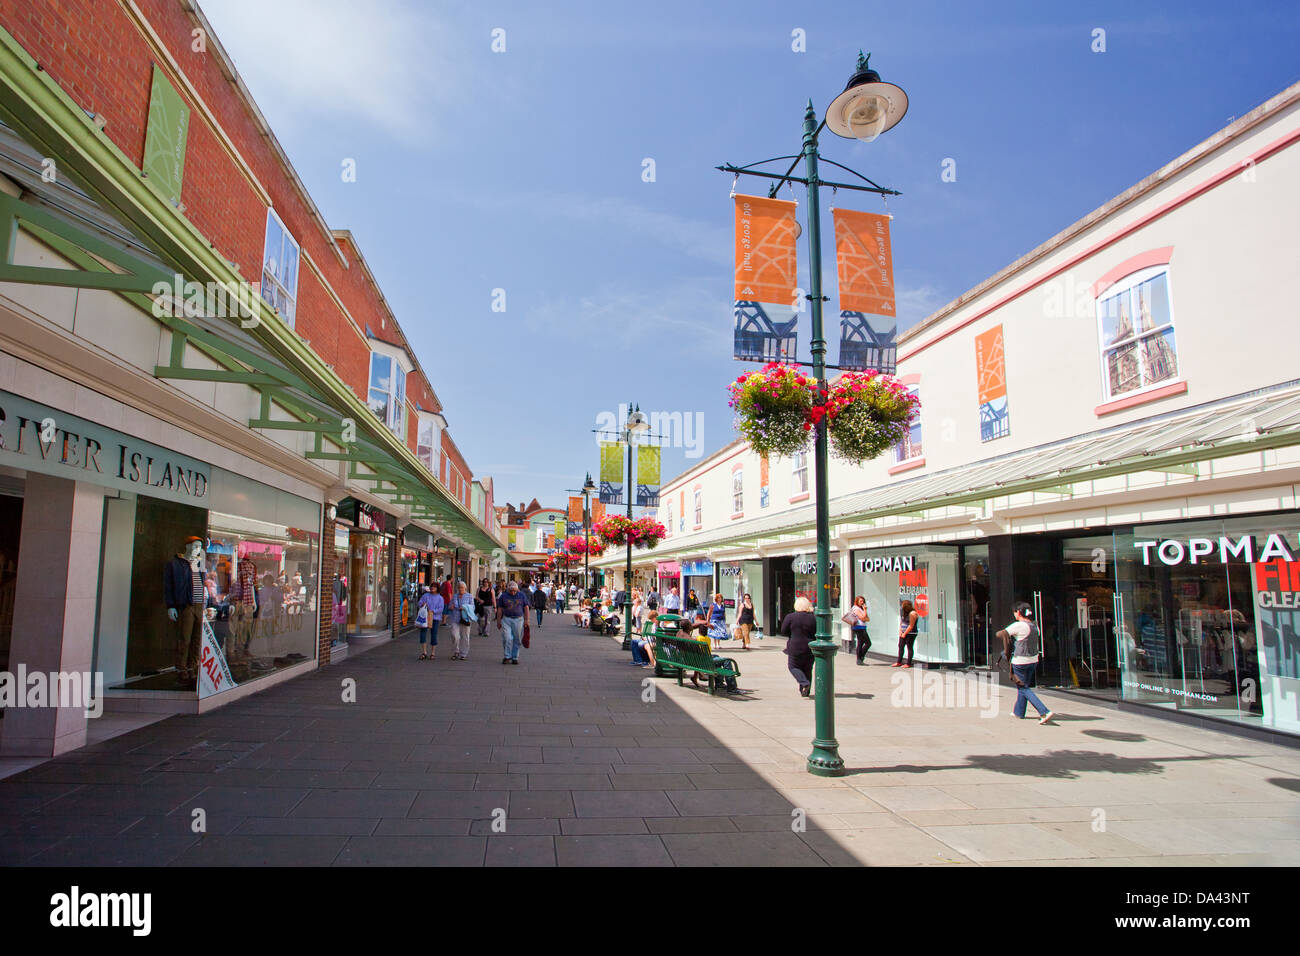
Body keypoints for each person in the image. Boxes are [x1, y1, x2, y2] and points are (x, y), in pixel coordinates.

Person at [999, 602, 1055, 724]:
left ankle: (1044, 711)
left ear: (1018, 612)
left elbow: (1002, 633)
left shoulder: (1019, 625)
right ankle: (1018, 712)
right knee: (1023, 686)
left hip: (1020, 661)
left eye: (1014, 612)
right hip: (1033, 660)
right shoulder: (1035, 626)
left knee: (1023, 687)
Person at [780, 596, 817, 697]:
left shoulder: (791, 617)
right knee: (807, 669)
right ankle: (805, 691)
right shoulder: (814, 617)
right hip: (810, 646)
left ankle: (804, 683)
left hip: (795, 646)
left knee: (793, 666)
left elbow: (783, 631)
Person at [496, 579, 529, 665]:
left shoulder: (521, 595)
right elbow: (499, 609)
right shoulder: (503, 596)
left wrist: (526, 620)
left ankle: (515, 657)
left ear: (517, 589)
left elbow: (526, 607)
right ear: (508, 589)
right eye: (511, 591)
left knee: (517, 639)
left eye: (515, 591)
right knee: (507, 638)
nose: (513, 593)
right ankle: (507, 656)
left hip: (518, 619)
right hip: (506, 619)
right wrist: (498, 621)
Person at [447, 582, 474, 661]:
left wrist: (465, 607)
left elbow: (473, 607)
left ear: (465, 588)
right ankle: (456, 651)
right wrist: (450, 607)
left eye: (462, 587)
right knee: (454, 635)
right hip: (455, 618)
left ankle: (463, 653)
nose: (460, 589)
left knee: (465, 636)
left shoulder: (469, 596)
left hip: (465, 619)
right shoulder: (455, 596)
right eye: (459, 587)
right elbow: (449, 606)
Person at [416, 585, 443, 660]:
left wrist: (433, 611)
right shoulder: (425, 595)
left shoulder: (440, 598)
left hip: (435, 618)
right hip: (425, 617)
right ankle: (424, 652)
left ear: (437, 589)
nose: (432, 588)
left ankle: (433, 653)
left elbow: (441, 608)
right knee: (423, 633)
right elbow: (419, 603)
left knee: (434, 634)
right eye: (431, 587)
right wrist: (422, 604)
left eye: (434, 587)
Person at [893, 600, 919, 668]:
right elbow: (901, 621)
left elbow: (911, 625)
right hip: (903, 631)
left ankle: (908, 663)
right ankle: (899, 662)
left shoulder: (913, 613)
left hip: (911, 633)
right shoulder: (903, 611)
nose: (902, 607)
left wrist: (905, 633)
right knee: (900, 646)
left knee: (909, 647)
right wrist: (900, 631)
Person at [850, 595, 872, 665]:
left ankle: (859, 659)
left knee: (860, 643)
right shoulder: (856, 608)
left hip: (862, 627)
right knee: (868, 643)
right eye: (860, 601)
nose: (862, 602)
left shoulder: (860, 608)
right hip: (859, 627)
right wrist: (865, 610)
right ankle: (860, 657)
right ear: (857, 601)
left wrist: (864, 614)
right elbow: (863, 617)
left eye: (863, 601)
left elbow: (867, 619)